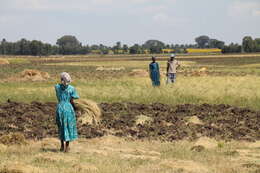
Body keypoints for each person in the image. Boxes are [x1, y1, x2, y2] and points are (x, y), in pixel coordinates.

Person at [55, 72, 79, 152]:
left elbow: (59, 88)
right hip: (68, 108)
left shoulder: (57, 87)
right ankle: (67, 147)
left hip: (60, 108)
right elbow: (72, 100)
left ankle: (62, 146)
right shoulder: (72, 89)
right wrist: (76, 108)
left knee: (61, 126)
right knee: (68, 126)